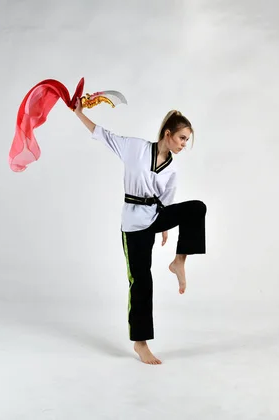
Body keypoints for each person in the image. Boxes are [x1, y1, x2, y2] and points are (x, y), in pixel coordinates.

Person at [73, 98, 207, 365]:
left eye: (186, 140)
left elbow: (167, 198)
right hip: (133, 225)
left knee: (197, 208)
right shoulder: (134, 148)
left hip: (156, 216)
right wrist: (79, 113)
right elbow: (103, 135)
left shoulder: (172, 168)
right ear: (167, 134)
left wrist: (165, 228)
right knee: (141, 281)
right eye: (181, 138)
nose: (183, 144)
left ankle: (178, 262)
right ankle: (140, 343)